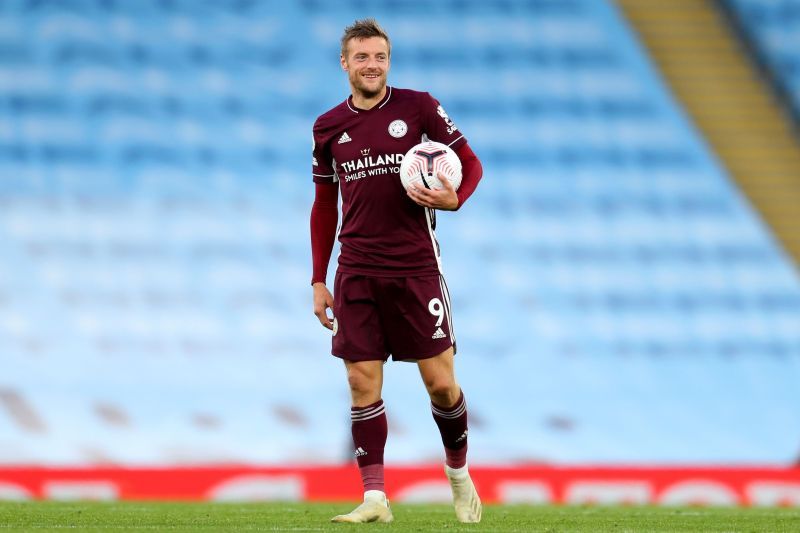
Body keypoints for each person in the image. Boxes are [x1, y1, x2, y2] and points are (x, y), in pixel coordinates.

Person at [310, 18, 483, 524]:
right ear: (345, 64)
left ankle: (457, 472)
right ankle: (375, 498)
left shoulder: (419, 108)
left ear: (389, 61)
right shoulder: (328, 126)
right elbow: (324, 206)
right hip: (357, 271)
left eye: (380, 57)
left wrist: (455, 198)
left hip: (416, 269)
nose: (372, 66)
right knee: (362, 381)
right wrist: (319, 278)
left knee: (441, 386)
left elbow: (470, 162)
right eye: (361, 57)